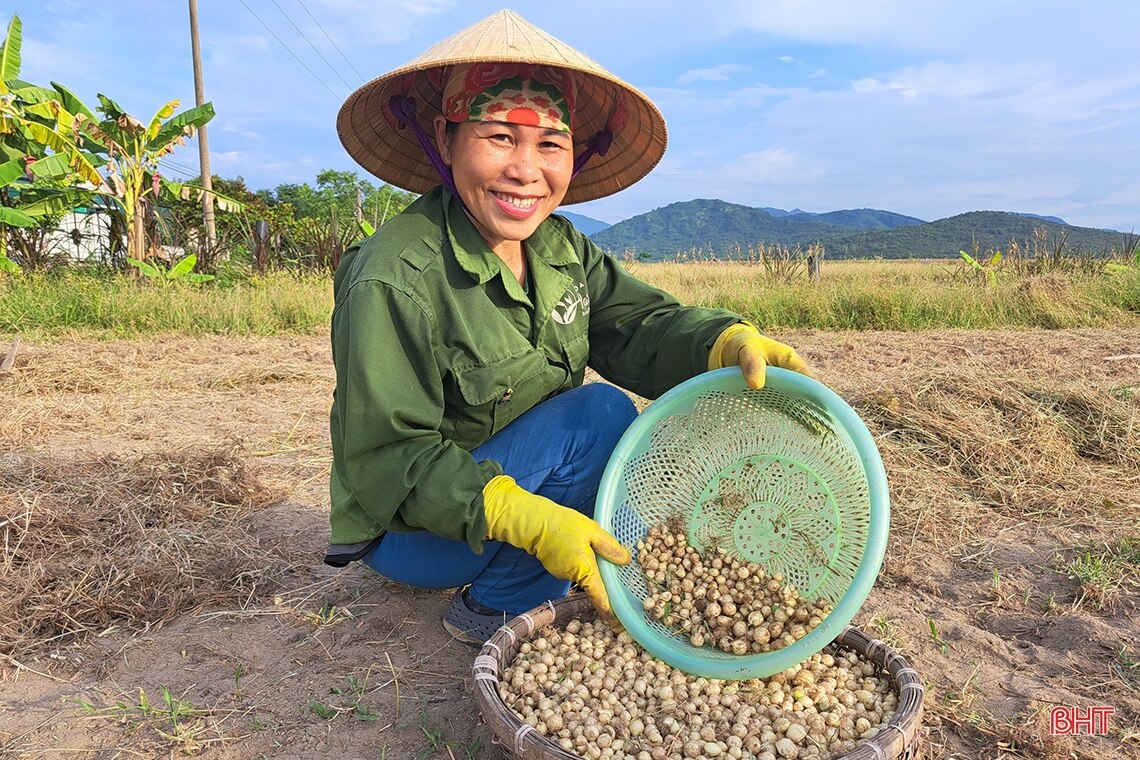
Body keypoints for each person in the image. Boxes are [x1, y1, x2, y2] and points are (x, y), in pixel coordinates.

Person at [326, 9, 812, 644]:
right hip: (411, 528)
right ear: (446, 140)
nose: (527, 169)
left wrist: (722, 341)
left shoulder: (558, 246)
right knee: (601, 418)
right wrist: (515, 512)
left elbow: (638, 324)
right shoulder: (395, 276)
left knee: (610, 434)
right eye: (500, 137)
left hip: (523, 472)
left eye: (549, 144)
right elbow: (388, 461)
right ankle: (495, 605)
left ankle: (614, 571)